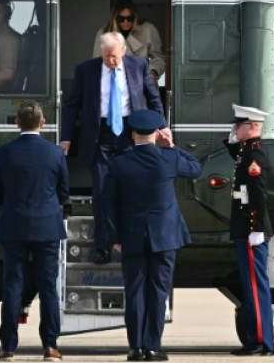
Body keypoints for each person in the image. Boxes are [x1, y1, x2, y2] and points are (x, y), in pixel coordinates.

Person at [60, 32, 171, 264]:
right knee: (102, 193)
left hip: (131, 135)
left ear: (123, 51)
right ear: (101, 52)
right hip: (99, 136)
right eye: (107, 56)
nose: (111, 61)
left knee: (131, 191)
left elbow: (154, 98)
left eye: (115, 56)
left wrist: (162, 126)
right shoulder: (86, 70)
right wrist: (66, 137)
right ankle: (103, 245)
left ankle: (132, 243)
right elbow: (71, 106)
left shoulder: (139, 65)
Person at [102, 110, 201, 362]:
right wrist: (172, 146)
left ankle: (135, 347)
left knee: (135, 291)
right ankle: (153, 347)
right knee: (158, 291)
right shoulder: (168, 159)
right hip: (165, 236)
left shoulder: (119, 162)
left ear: (133, 134)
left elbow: (108, 203)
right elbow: (196, 169)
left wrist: (114, 237)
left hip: (132, 236)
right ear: (157, 133)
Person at [0, 101, 70, 362]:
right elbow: (63, 191)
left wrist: (14, 207)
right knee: (48, 288)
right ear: (43, 123)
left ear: (16, 123)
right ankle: (50, 346)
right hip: (47, 227)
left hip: (13, 225)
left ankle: (8, 347)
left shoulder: (3, 153)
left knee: (12, 285)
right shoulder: (55, 153)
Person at [225, 104, 274, 356]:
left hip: (250, 230)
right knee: (251, 285)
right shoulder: (247, 151)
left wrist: (255, 229)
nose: (235, 128)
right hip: (246, 229)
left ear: (253, 126)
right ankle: (256, 339)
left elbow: (257, 194)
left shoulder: (255, 156)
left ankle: (260, 342)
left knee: (255, 286)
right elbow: (238, 155)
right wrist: (232, 138)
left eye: (239, 125)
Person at [94, 0, 166, 81]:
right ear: (114, 18)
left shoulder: (148, 30)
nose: (125, 22)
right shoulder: (104, 33)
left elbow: (160, 58)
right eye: (121, 19)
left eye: (129, 18)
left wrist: (153, 71)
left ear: (135, 17)